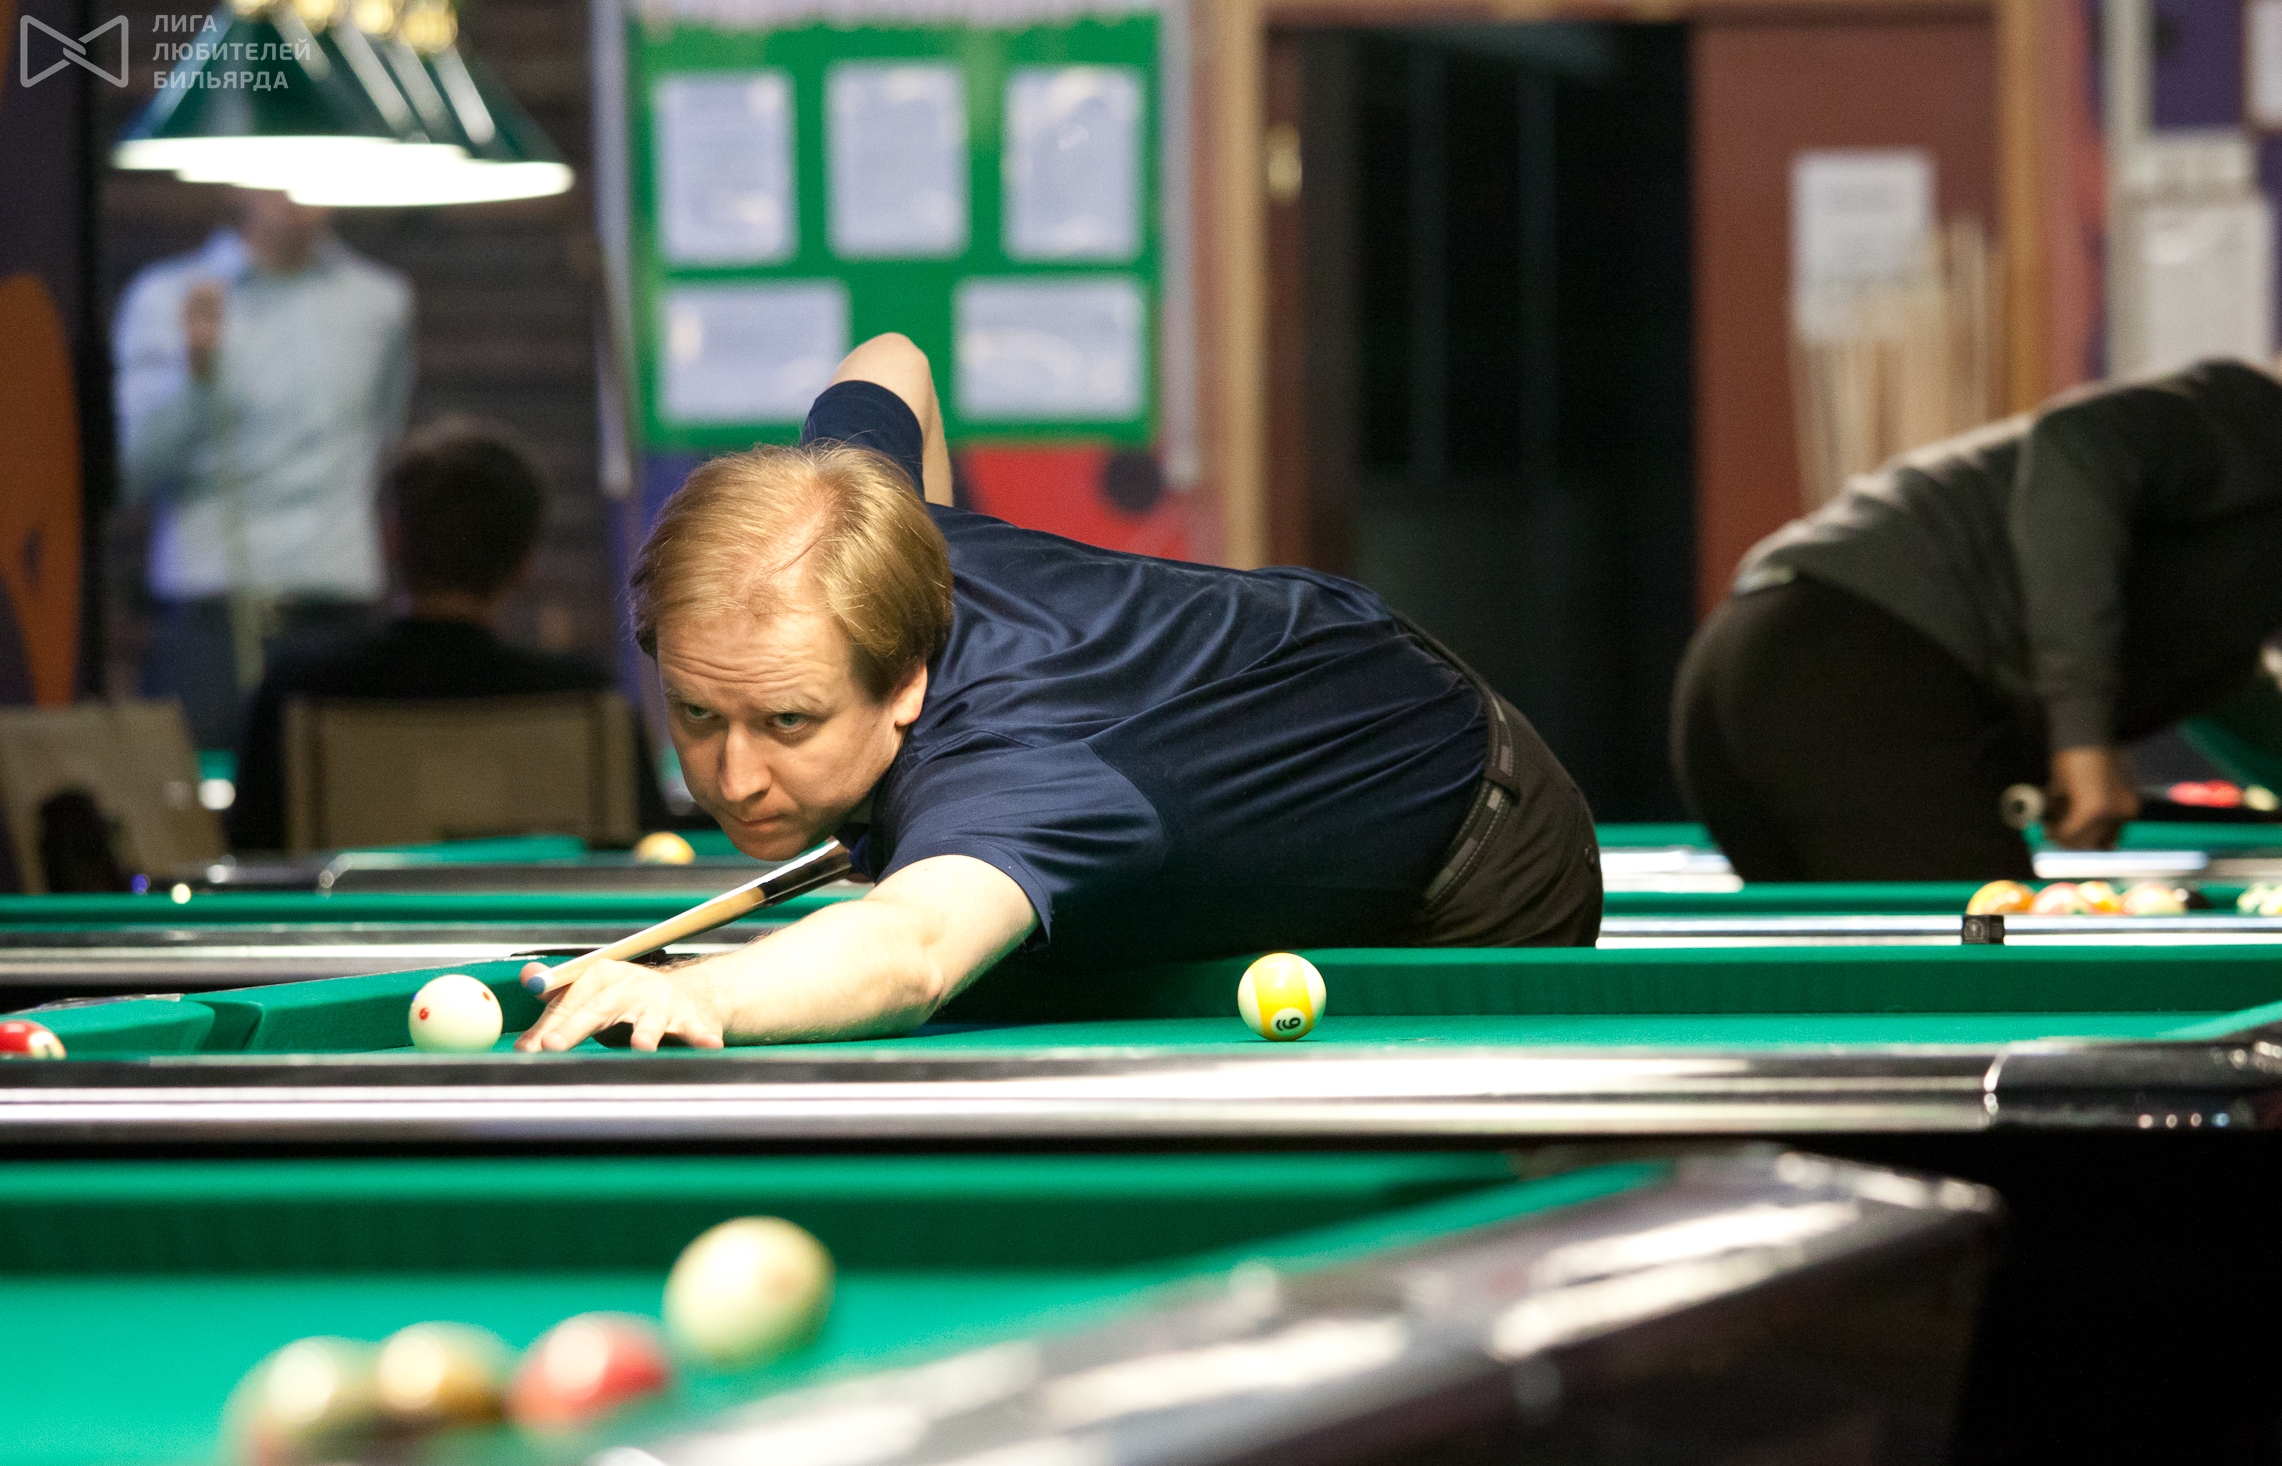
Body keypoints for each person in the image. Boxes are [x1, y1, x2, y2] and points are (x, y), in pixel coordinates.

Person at [515, 334, 1601, 1052]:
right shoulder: (858, 537)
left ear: (905, 682)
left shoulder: (1021, 772)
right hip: (1273, 734)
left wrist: (700, 993)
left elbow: (911, 952)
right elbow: (891, 362)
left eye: (788, 721)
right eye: (699, 714)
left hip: (1471, 853)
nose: (734, 777)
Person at [1672, 311, 2282, 882]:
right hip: (1850, 672)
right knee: (1990, 991)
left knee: (1852, 1003)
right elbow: (2074, 449)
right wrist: (2083, 742)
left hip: (1751, 665)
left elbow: (2274, 726)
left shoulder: (2263, 558)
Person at [227, 418, 666, 849]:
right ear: (525, 562)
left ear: (391, 541)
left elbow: (247, 859)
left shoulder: (295, 692)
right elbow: (649, 850)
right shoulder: (588, 696)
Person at [114, 188, 413, 749]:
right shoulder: (168, 296)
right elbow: (128, 472)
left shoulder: (380, 301)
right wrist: (193, 378)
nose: (297, 185)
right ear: (233, 184)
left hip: (338, 608)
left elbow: (383, 440)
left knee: (344, 792)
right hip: (211, 617)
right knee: (202, 796)